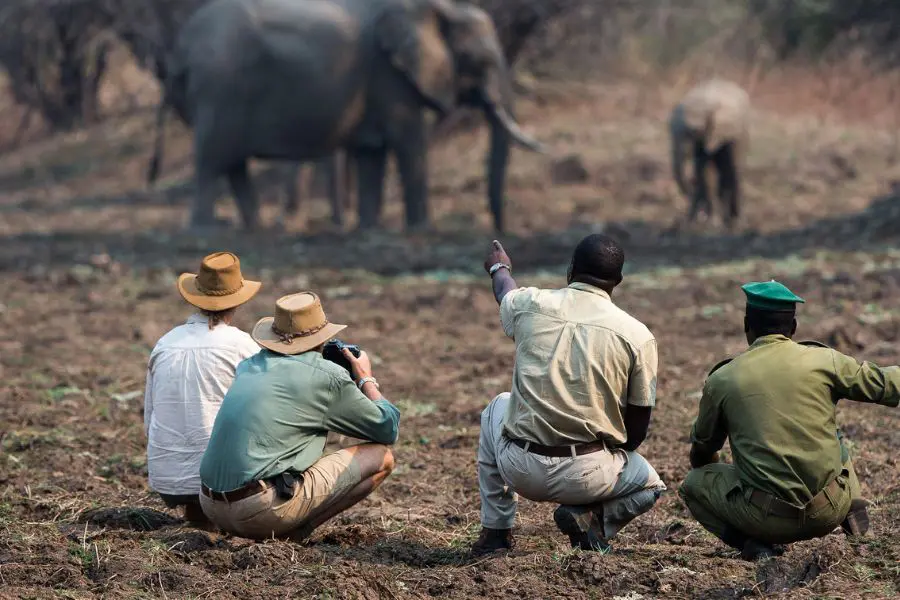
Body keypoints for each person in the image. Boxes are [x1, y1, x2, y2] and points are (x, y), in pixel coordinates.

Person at [472, 235, 667, 556]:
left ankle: (496, 533)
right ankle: (592, 518)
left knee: (498, 405)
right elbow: (636, 433)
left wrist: (498, 266)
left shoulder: (531, 304)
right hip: (587, 476)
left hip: (520, 468)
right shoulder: (638, 336)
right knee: (652, 486)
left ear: (571, 269)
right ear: (618, 281)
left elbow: (504, 292)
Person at [680, 280, 900, 561]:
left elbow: (702, 453)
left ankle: (753, 545)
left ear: (747, 325)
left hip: (766, 520)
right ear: (793, 328)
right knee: (831, 432)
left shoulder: (722, 380)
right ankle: (853, 508)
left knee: (692, 484)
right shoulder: (824, 360)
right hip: (829, 510)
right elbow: (886, 384)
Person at [198, 291, 400, 540]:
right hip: (260, 511)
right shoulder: (326, 376)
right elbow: (387, 428)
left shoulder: (250, 365)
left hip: (209, 505)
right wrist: (365, 378)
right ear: (321, 339)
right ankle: (293, 535)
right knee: (382, 457)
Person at [144, 251, 262, 528]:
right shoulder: (243, 345)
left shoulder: (165, 343)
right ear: (237, 303)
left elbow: (149, 420)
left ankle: (200, 519)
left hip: (167, 479)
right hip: (222, 482)